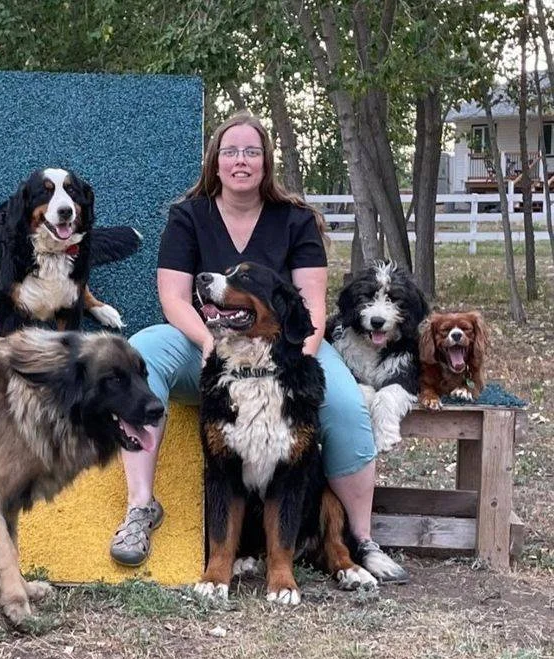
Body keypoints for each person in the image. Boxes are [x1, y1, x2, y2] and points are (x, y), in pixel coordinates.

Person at [108, 111, 408, 584]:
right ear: (215, 161)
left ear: (266, 162)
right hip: (205, 339)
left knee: (347, 406)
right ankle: (140, 507)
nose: (241, 161)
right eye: (231, 152)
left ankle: (360, 538)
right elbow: (174, 298)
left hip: (283, 345)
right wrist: (207, 342)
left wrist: (292, 363)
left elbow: (312, 305)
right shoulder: (189, 216)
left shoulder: (296, 219)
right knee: (140, 354)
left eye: (251, 152)